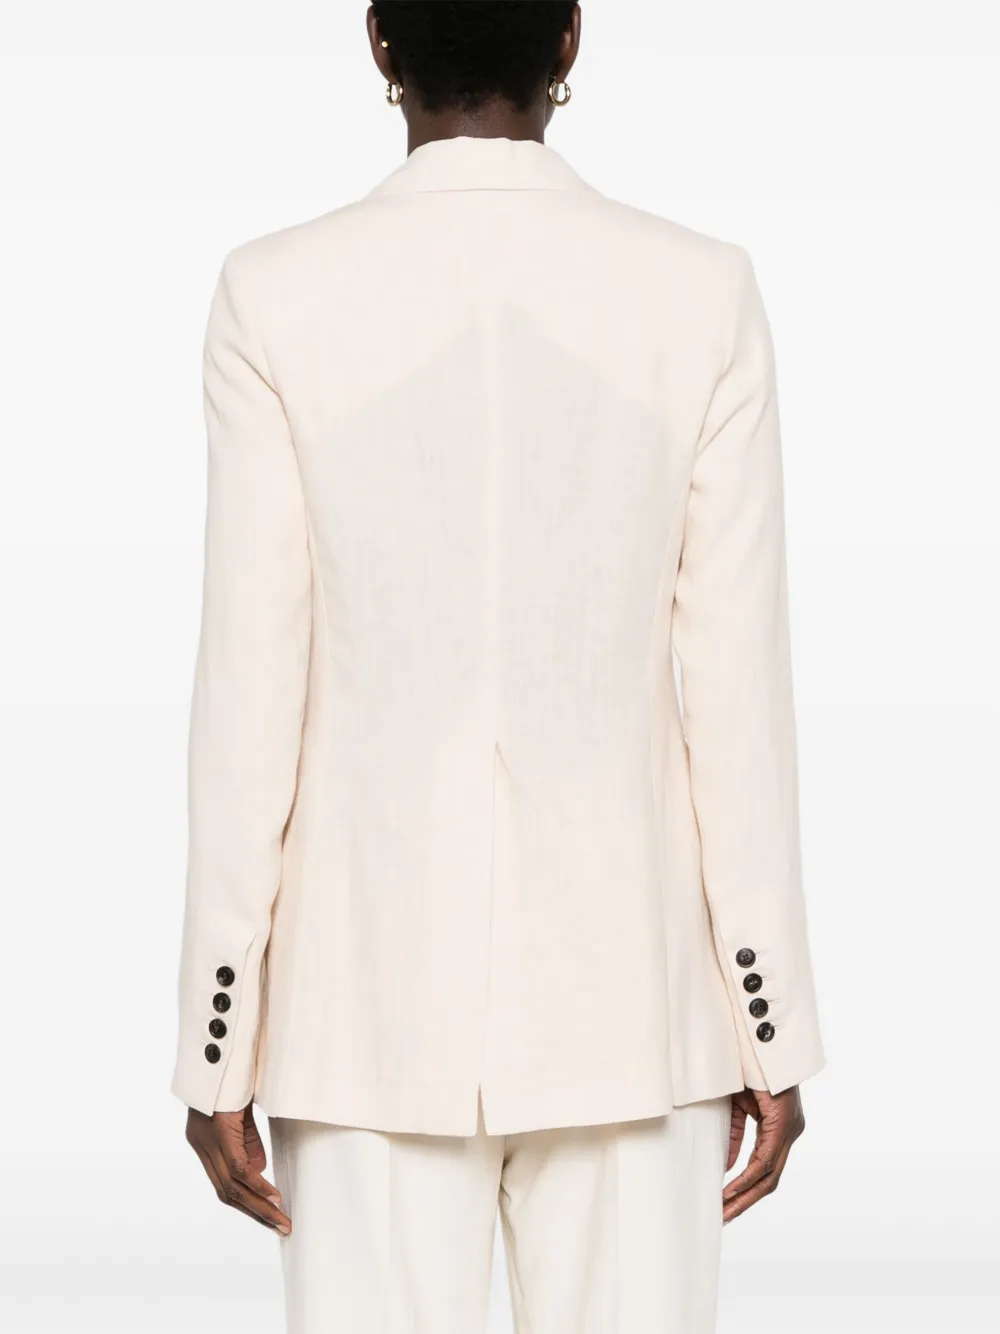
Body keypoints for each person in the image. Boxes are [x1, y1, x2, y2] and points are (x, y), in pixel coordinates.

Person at [172, 4, 825, 1331]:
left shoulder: (275, 293)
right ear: (570, 42)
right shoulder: (698, 292)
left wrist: (216, 1037)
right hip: (636, 1011)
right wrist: (769, 1021)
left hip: (360, 1015)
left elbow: (251, 696)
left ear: (379, 44)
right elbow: (737, 706)